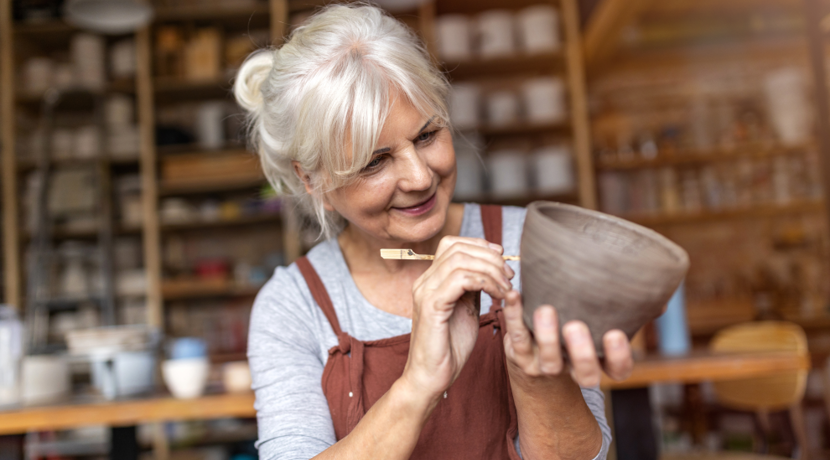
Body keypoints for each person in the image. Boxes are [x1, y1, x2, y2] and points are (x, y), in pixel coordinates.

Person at [234, 4, 633, 459]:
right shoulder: (294, 306)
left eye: (427, 136)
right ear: (314, 182)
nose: (420, 177)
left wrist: (536, 380)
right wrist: (419, 383)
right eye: (375, 161)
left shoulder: (531, 247)